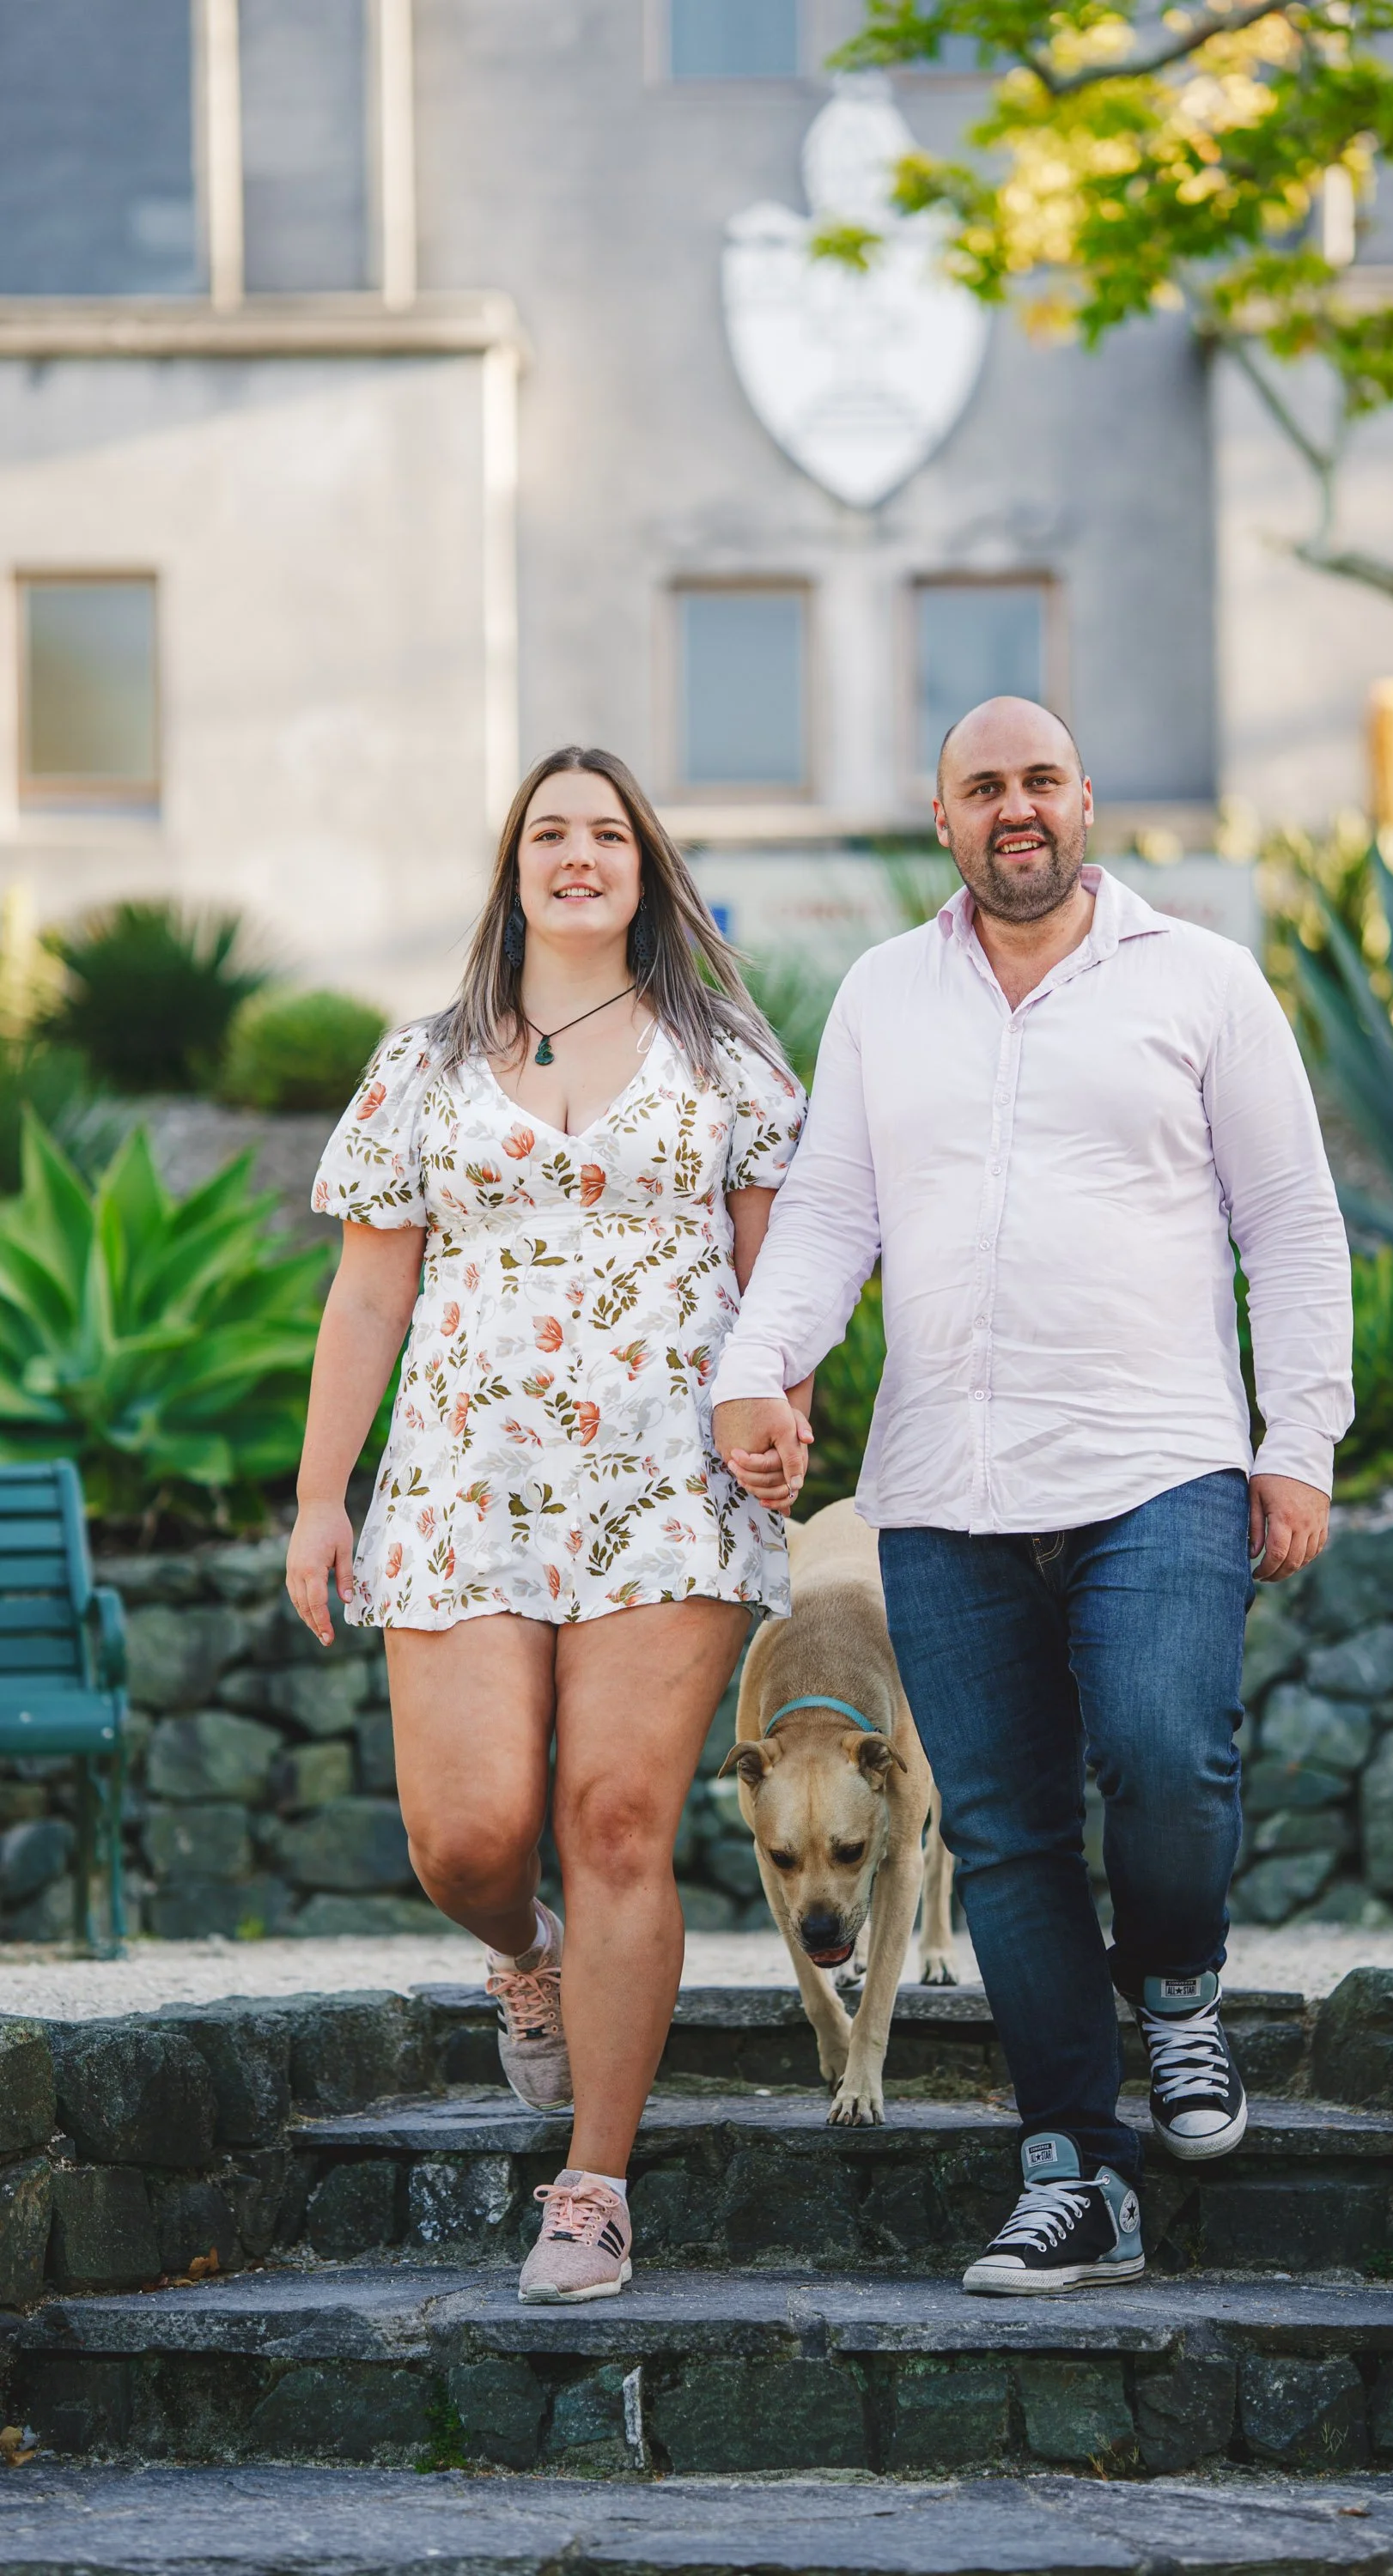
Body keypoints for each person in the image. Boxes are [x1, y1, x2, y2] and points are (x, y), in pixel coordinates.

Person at [713, 696, 1352, 2298]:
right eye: (982, 785)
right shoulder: (882, 996)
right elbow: (830, 1212)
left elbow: (1292, 1221)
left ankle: (1182, 1992)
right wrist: (758, 1364)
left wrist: (1302, 1439)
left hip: (1162, 1465)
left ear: (1085, 805)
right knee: (1001, 1843)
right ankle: (1077, 2168)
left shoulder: (1201, 981)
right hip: (945, 1490)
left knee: (1161, 1756)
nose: (1017, 808)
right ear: (943, 821)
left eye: (1043, 780)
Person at [287, 744, 807, 2306]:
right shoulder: (426, 1060)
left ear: (647, 866)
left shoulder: (727, 1051)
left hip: (667, 1485)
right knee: (466, 1840)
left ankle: (591, 2186)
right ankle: (524, 1955)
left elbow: (786, 1270)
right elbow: (371, 1286)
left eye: (607, 834)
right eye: (548, 834)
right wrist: (325, 1495)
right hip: (460, 1481)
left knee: (619, 1822)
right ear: (512, 868)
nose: (578, 855)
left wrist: (782, 1407)